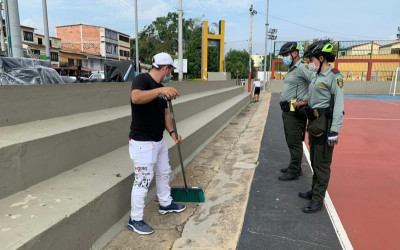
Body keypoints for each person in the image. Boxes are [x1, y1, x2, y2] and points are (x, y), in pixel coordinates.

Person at [127, 52, 186, 234]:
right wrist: (161, 90)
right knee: (142, 181)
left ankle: (165, 203)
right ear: (166, 68)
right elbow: (135, 98)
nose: (170, 75)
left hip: (158, 140)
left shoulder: (161, 89)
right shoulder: (142, 80)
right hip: (142, 142)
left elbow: (165, 114)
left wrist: (173, 133)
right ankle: (135, 219)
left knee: (163, 173)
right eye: (170, 71)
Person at [299, 40, 344, 213]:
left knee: (322, 164)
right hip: (314, 124)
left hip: (325, 125)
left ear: (321, 58)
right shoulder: (316, 76)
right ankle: (314, 191)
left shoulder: (335, 77)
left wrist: (334, 131)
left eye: (311, 60)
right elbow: (314, 98)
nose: (310, 64)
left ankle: (318, 199)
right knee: (314, 160)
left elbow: (339, 105)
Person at [278, 42, 315, 181]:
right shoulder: (292, 68)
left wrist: (305, 101)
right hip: (288, 109)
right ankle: (295, 166)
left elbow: (316, 82)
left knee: (294, 141)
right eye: (283, 55)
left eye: (286, 55)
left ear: (295, 53)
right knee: (290, 139)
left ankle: (294, 170)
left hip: (296, 110)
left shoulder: (302, 67)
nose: (284, 58)